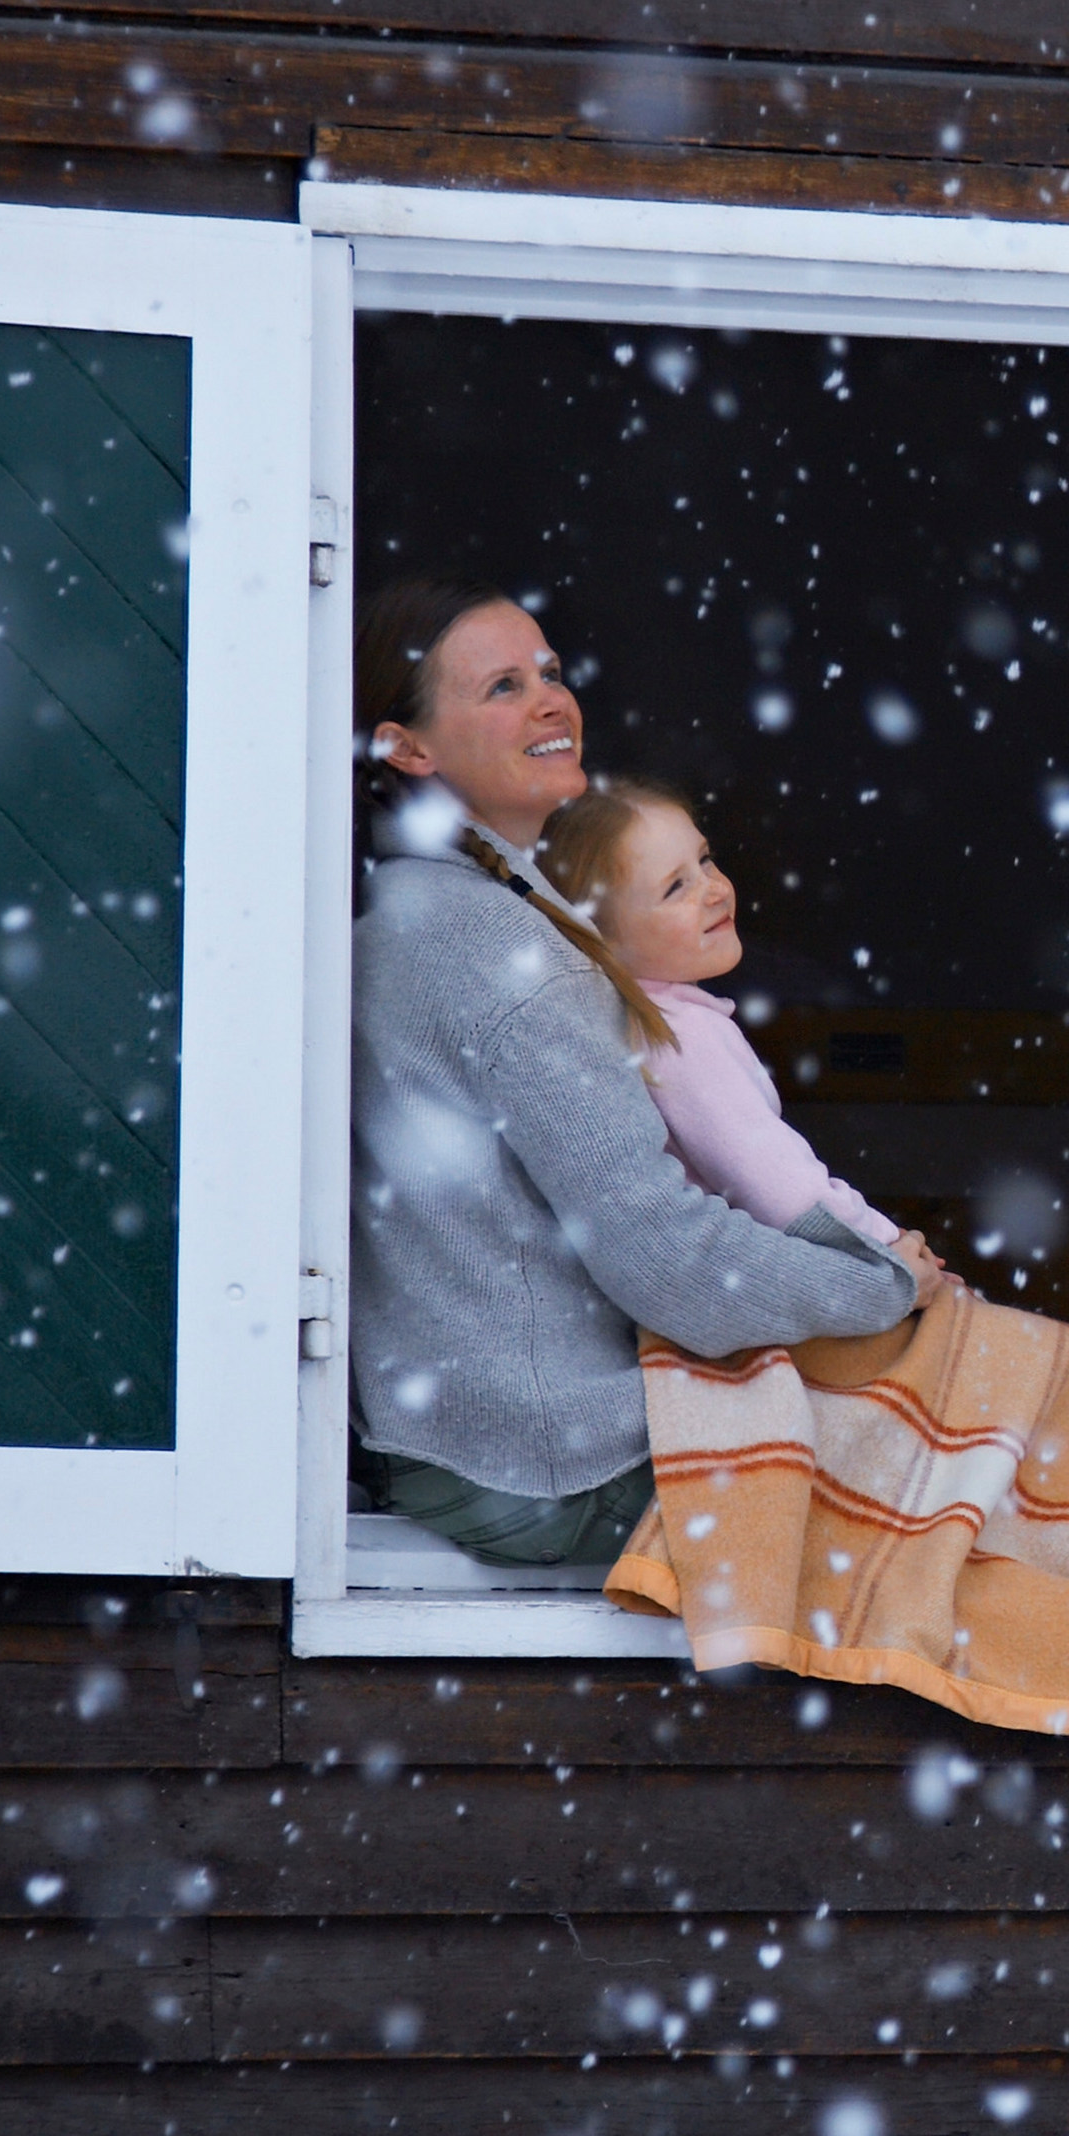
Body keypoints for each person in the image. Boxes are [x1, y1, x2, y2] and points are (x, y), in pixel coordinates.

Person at [348, 580, 924, 1568]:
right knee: (962, 1460)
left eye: (551, 673)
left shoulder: (403, 914)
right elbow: (668, 1260)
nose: (548, 701)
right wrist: (885, 1285)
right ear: (408, 747)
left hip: (442, 1441)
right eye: (501, 686)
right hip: (544, 1461)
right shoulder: (500, 951)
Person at [530, 780, 954, 1288]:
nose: (714, 889)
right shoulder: (680, 1037)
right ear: (598, 937)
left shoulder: (623, 1021)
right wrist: (891, 1249)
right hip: (755, 1290)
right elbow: (786, 1194)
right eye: (674, 887)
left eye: (704, 860)